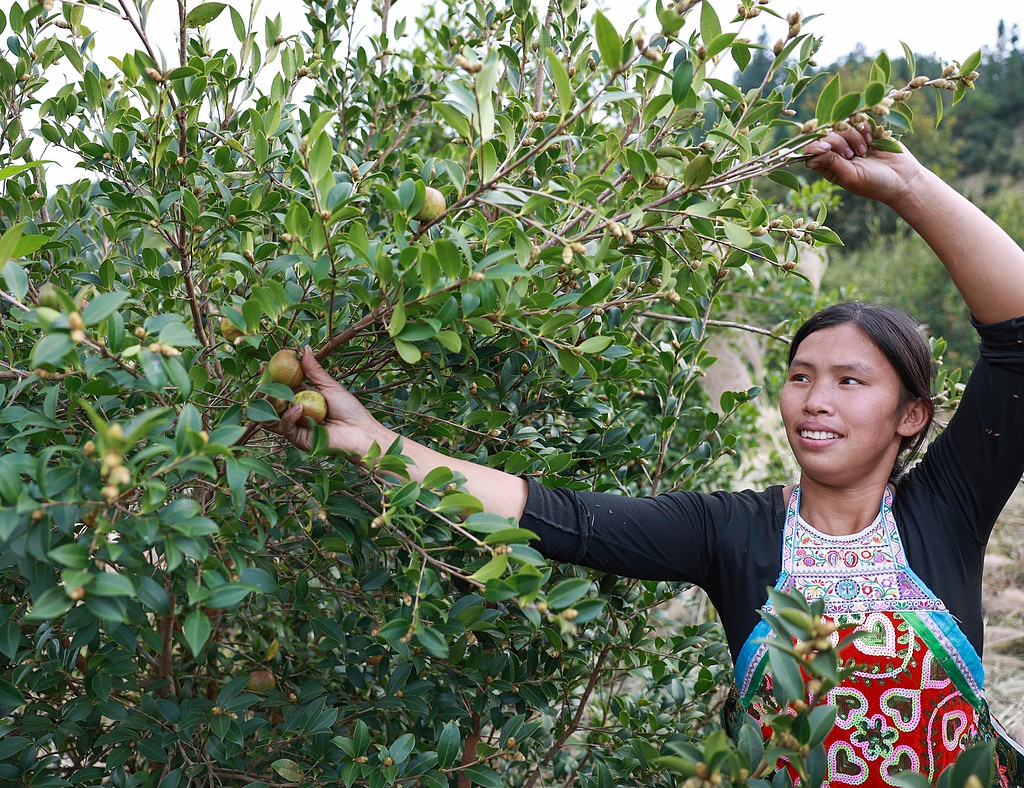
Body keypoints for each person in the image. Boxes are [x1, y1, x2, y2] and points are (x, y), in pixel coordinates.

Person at [270, 124, 1024, 786]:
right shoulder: (734, 532)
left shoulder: (946, 511)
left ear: (911, 416)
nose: (814, 400)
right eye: (800, 377)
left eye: (849, 381)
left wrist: (911, 189)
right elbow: (558, 517)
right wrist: (381, 446)